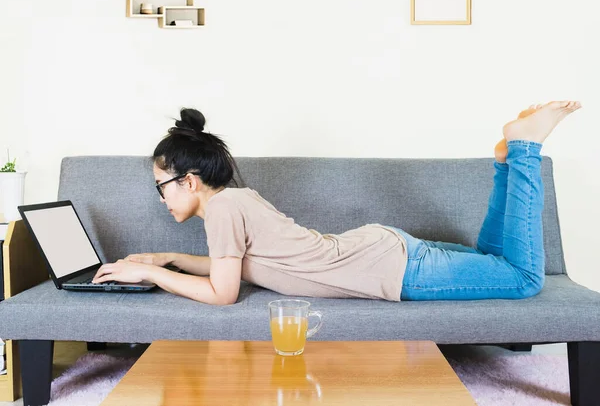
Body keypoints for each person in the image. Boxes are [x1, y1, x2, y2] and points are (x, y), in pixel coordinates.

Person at [92, 101, 582, 304]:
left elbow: (223, 293)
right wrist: (168, 257)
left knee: (522, 279)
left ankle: (523, 151)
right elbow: (239, 268)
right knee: (499, 261)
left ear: (190, 181)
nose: (160, 198)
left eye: (162, 185)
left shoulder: (221, 210)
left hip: (394, 270)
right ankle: (506, 158)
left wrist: (152, 274)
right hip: (384, 250)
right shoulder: (234, 201)